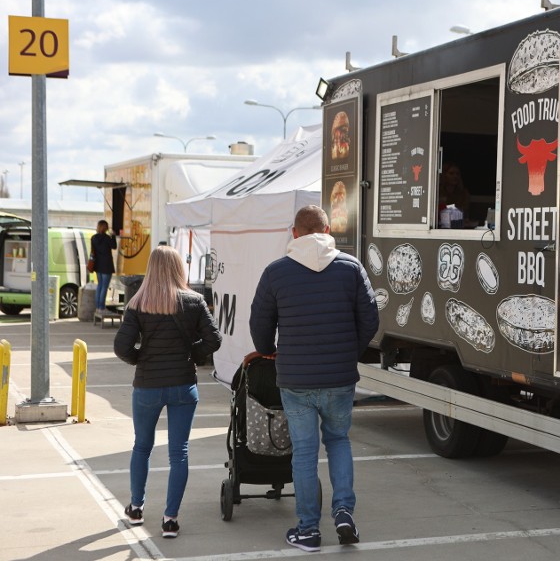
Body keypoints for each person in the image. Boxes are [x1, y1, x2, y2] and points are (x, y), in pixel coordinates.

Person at [249, 205, 379, 552]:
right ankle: (343, 513)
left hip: (295, 378)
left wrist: (267, 350)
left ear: (295, 233)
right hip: (339, 377)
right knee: (339, 441)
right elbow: (370, 319)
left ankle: (308, 530)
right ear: (327, 229)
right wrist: (349, 351)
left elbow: (259, 325)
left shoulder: (276, 272)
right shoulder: (350, 267)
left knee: (305, 453)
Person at [113, 245, 222, 539]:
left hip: (147, 386)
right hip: (183, 386)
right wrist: (192, 355)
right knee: (179, 453)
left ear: (151, 268)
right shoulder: (195, 301)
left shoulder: (138, 302)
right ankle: (170, 520)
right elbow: (215, 340)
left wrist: (141, 360)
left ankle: (136, 508)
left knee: (142, 447)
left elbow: (121, 347)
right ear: (178, 268)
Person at [91, 220, 117, 315]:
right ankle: (102, 308)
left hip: (98, 266)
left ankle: (98, 307)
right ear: (105, 227)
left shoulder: (93, 238)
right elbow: (114, 246)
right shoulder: (107, 238)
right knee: (104, 287)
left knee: (100, 286)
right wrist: (113, 235)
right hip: (106, 266)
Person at [437, 161, 473, 228]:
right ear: (444, 175)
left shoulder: (464, 193)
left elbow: (464, 211)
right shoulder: (437, 191)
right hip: (439, 226)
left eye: (457, 174)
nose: (455, 176)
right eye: (451, 173)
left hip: (458, 225)